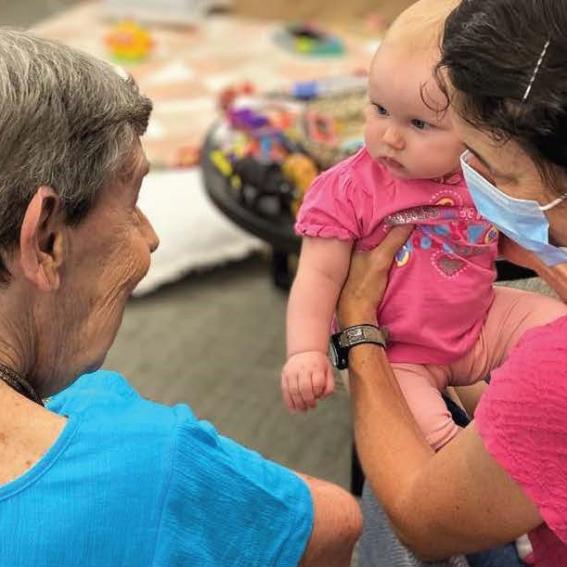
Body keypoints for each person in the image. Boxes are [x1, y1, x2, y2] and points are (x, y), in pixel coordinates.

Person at [0, 30, 362, 566]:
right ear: (48, 239)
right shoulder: (146, 463)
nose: (149, 238)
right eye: (131, 204)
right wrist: (365, 330)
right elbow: (335, 528)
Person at [282, 0, 567, 470]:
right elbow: (317, 275)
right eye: (378, 109)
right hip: (401, 352)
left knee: (554, 331)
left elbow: (509, 236)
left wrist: (546, 263)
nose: (390, 138)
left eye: (419, 124)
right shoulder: (350, 188)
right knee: (441, 447)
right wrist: (306, 352)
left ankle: (508, 430)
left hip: (480, 321)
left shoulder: (479, 174)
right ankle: (495, 497)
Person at [335, 1, 567, 566]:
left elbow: (423, 520)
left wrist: (358, 330)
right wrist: (547, 257)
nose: (466, 180)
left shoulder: (553, 371)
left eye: (489, 165)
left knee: (385, 491)